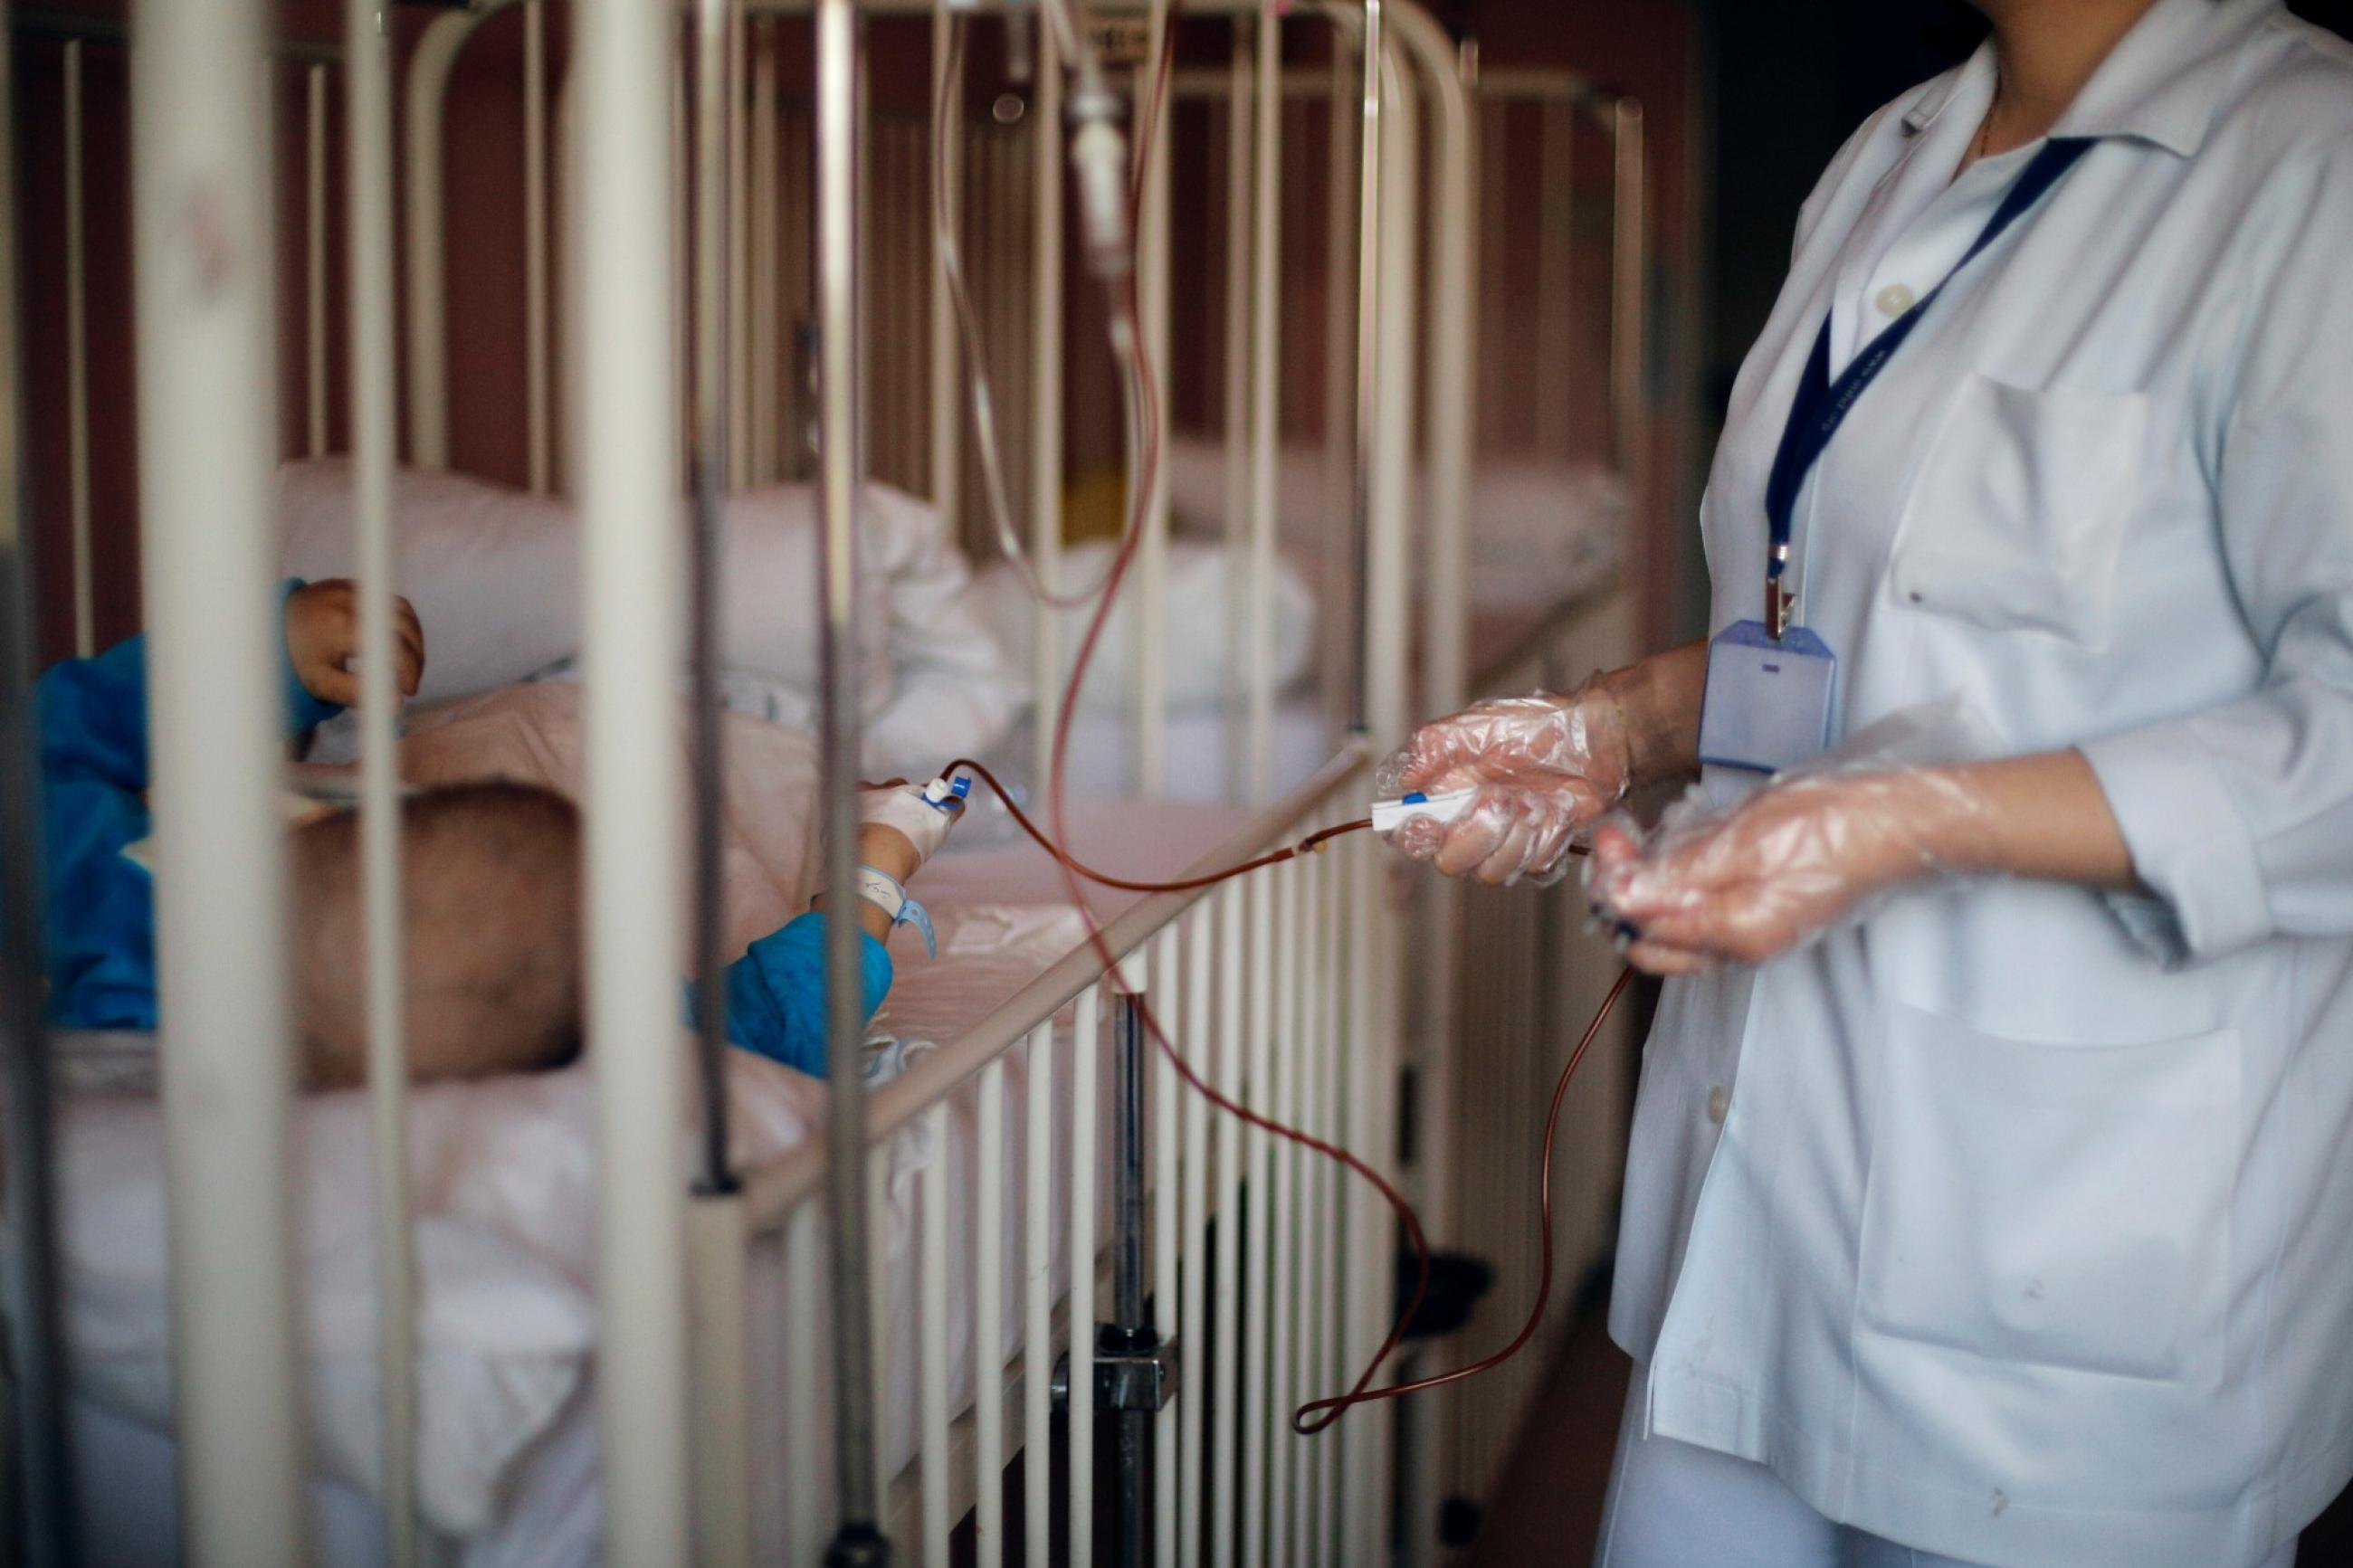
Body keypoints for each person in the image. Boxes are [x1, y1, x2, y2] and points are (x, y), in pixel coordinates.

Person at [1385, 1, 2353, 1563]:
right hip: (1751, 1212)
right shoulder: (1885, 162)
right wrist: (1621, 725)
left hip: (2071, 1275)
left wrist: (1921, 820)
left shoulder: (2312, 164)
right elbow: (1863, 640)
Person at [39, 578, 958, 1088]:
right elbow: (776, 1022)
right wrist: (876, 865)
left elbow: (45, 749)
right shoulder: (562, 1013)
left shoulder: (127, 917)